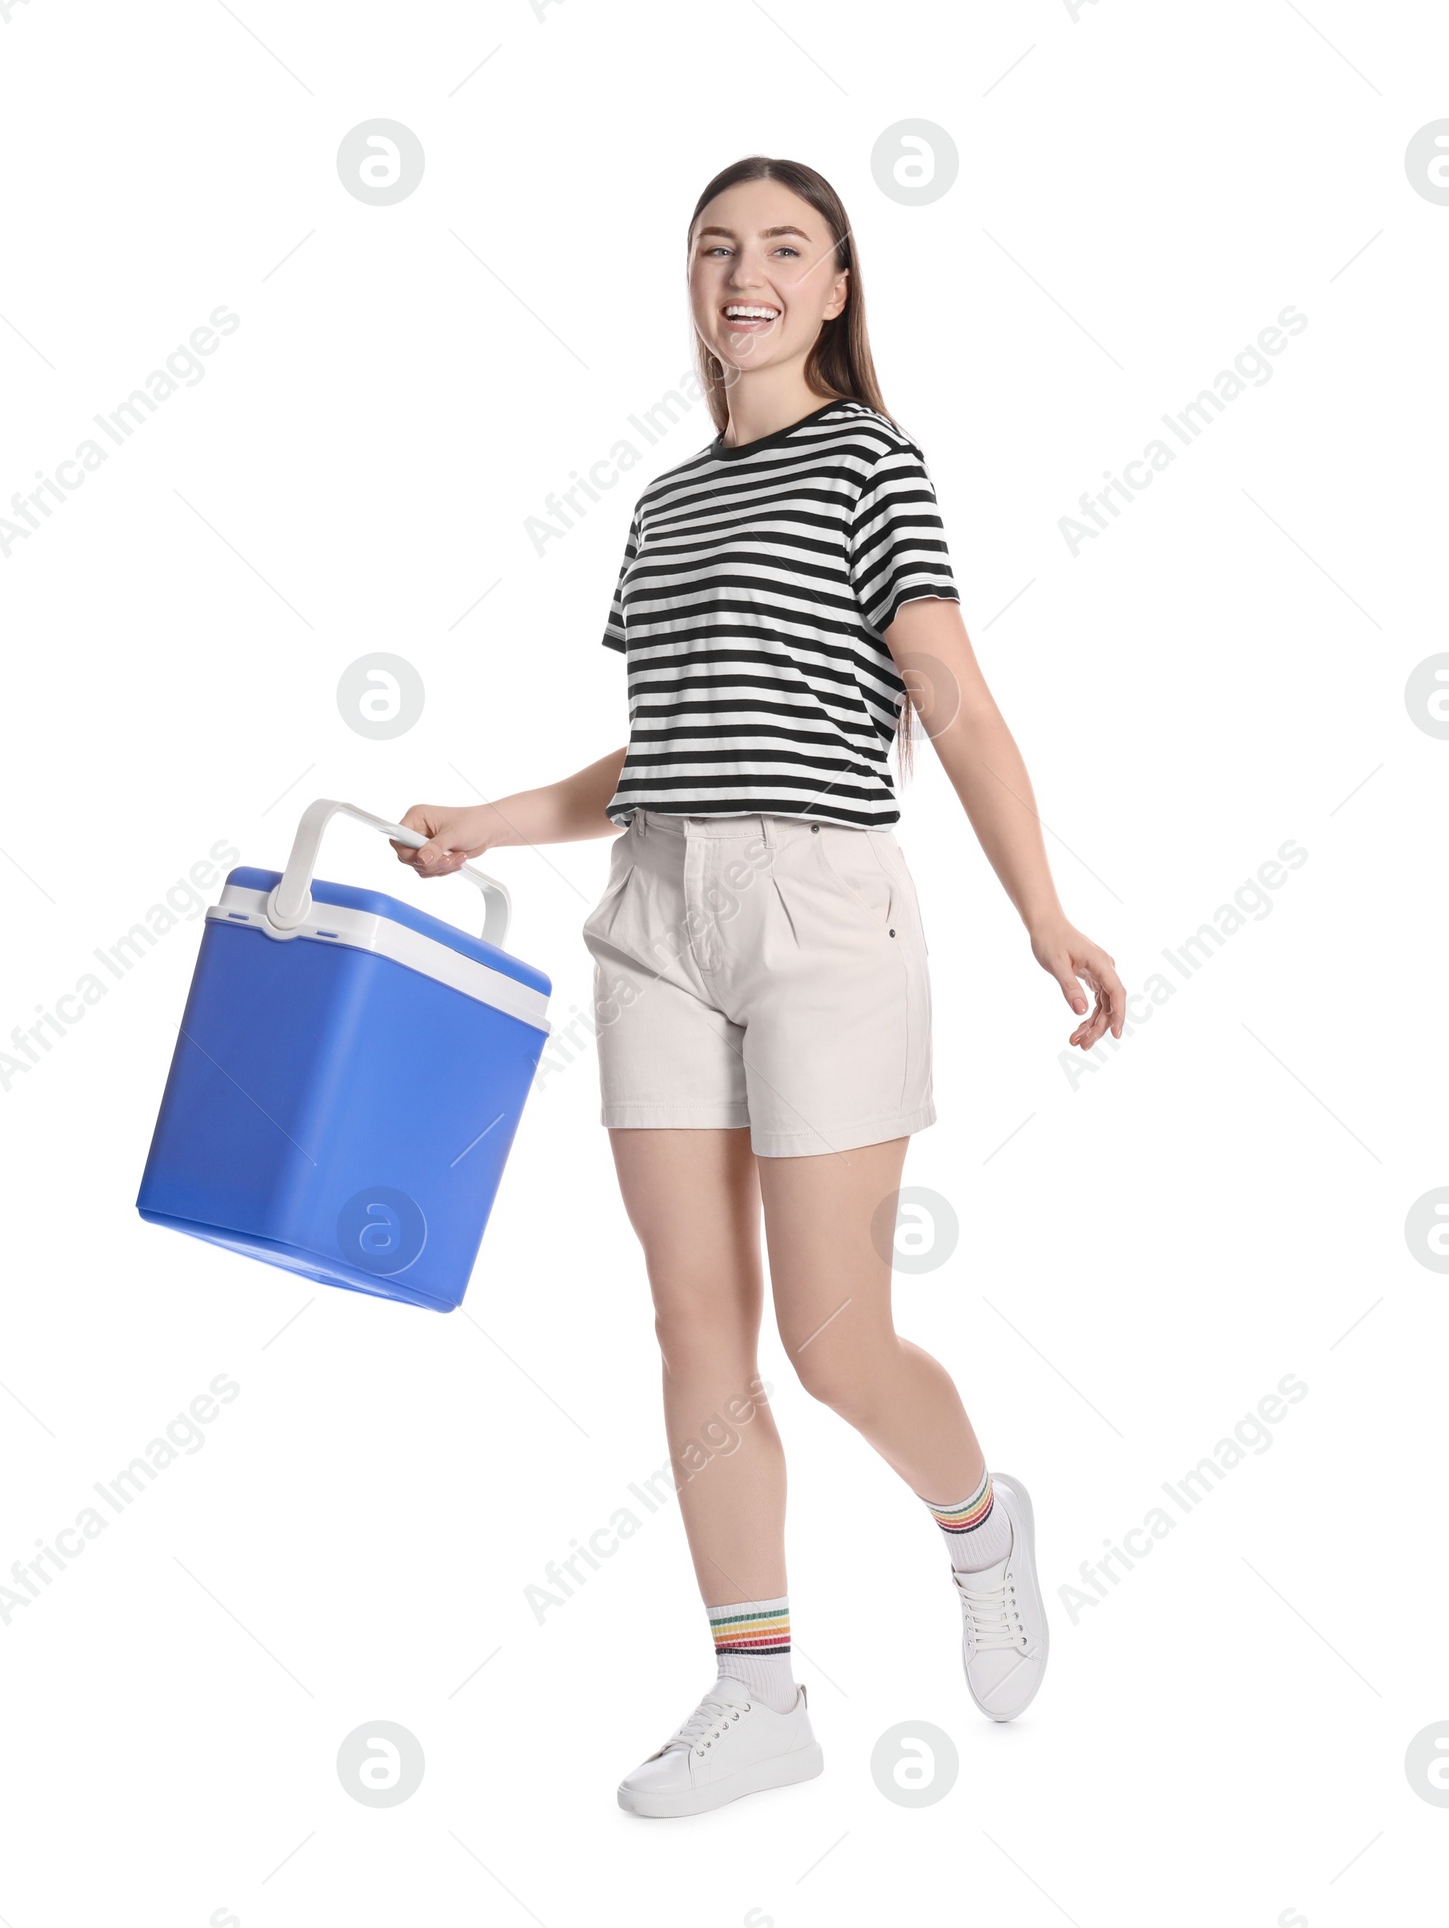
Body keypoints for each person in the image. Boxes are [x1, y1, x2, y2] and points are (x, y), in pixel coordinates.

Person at [394, 155, 1126, 1819]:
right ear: (693, 279)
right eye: (720, 244)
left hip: (821, 908)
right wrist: (492, 821)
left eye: (787, 247)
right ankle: (757, 1693)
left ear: (838, 288)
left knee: (832, 1332)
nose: (750, 270)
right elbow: (663, 753)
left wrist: (1043, 913)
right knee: (692, 1319)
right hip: (657, 915)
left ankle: (979, 1526)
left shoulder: (875, 462)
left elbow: (949, 693)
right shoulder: (662, 504)